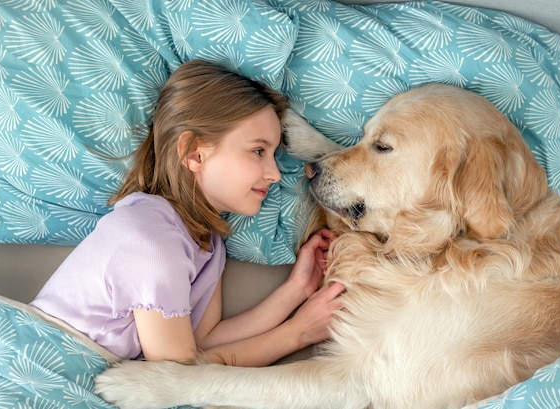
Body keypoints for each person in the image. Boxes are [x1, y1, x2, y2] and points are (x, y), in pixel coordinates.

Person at [31, 59, 344, 367]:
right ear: (195, 153)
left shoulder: (206, 241)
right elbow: (177, 374)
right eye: (258, 151)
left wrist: (297, 290)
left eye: (273, 155)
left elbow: (204, 339)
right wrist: (297, 333)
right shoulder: (151, 239)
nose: (275, 174)